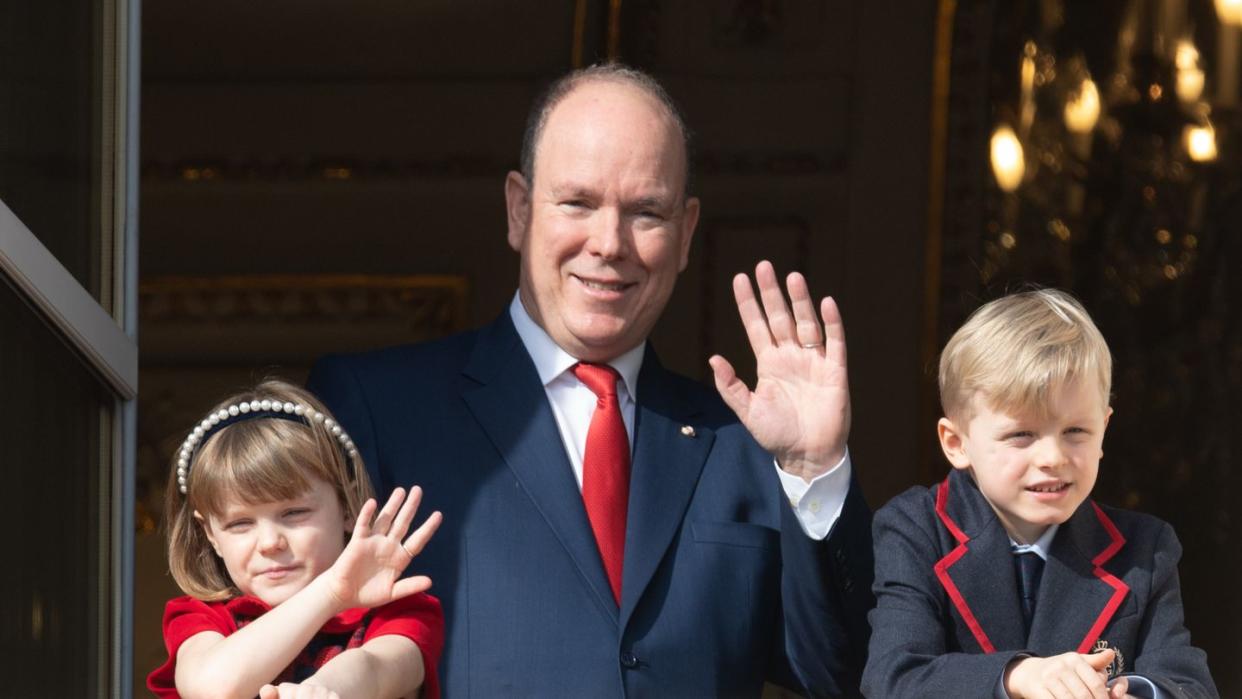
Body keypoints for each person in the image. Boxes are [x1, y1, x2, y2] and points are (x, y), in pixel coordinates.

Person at [307, 63, 873, 696]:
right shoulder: (379, 409)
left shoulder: (744, 442)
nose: (609, 243)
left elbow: (839, 671)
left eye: (646, 213)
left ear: (686, 235)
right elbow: (294, 637)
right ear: (519, 210)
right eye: (577, 202)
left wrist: (812, 468)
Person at [862, 289, 1217, 699]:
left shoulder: (1145, 549)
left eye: (1075, 432)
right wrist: (1016, 676)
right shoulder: (916, 528)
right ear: (956, 443)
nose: (1052, 457)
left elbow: (1189, 685)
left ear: (1104, 429)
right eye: (1021, 435)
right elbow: (894, 677)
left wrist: (1133, 693)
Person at [148, 379, 445, 699]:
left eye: (293, 513)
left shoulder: (399, 610)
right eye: (240, 523)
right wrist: (331, 592)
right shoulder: (202, 617)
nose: (270, 542)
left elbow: (371, 667)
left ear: (347, 506)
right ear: (211, 535)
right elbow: (214, 687)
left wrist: (321, 691)